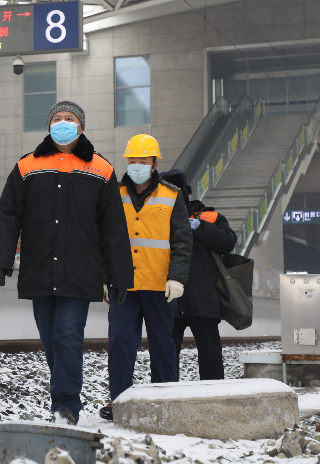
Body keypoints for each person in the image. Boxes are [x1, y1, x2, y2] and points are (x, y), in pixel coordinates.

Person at [0, 101, 134, 426]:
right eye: (57, 119)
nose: (63, 123)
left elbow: (113, 228)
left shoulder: (101, 169)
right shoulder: (28, 166)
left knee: (68, 335)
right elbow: (9, 213)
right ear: (49, 125)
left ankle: (65, 407)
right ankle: (65, 392)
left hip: (80, 271)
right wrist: (0, 257)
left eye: (70, 119)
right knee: (50, 336)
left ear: (81, 127)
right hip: (40, 268)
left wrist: (118, 275)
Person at [100, 134, 192, 421]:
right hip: (124, 286)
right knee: (120, 344)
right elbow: (103, 240)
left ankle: (165, 400)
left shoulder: (172, 195)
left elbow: (182, 241)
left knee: (163, 345)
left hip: (158, 285)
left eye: (143, 161)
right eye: (133, 161)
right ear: (127, 162)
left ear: (154, 163)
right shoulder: (113, 194)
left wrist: (177, 278)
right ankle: (120, 402)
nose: (137, 165)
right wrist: (104, 277)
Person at [160, 169, 237, 381]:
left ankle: (212, 395)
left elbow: (228, 242)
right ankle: (167, 397)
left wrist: (198, 227)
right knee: (166, 355)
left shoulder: (208, 217)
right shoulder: (154, 217)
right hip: (168, 299)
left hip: (203, 299)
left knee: (210, 354)